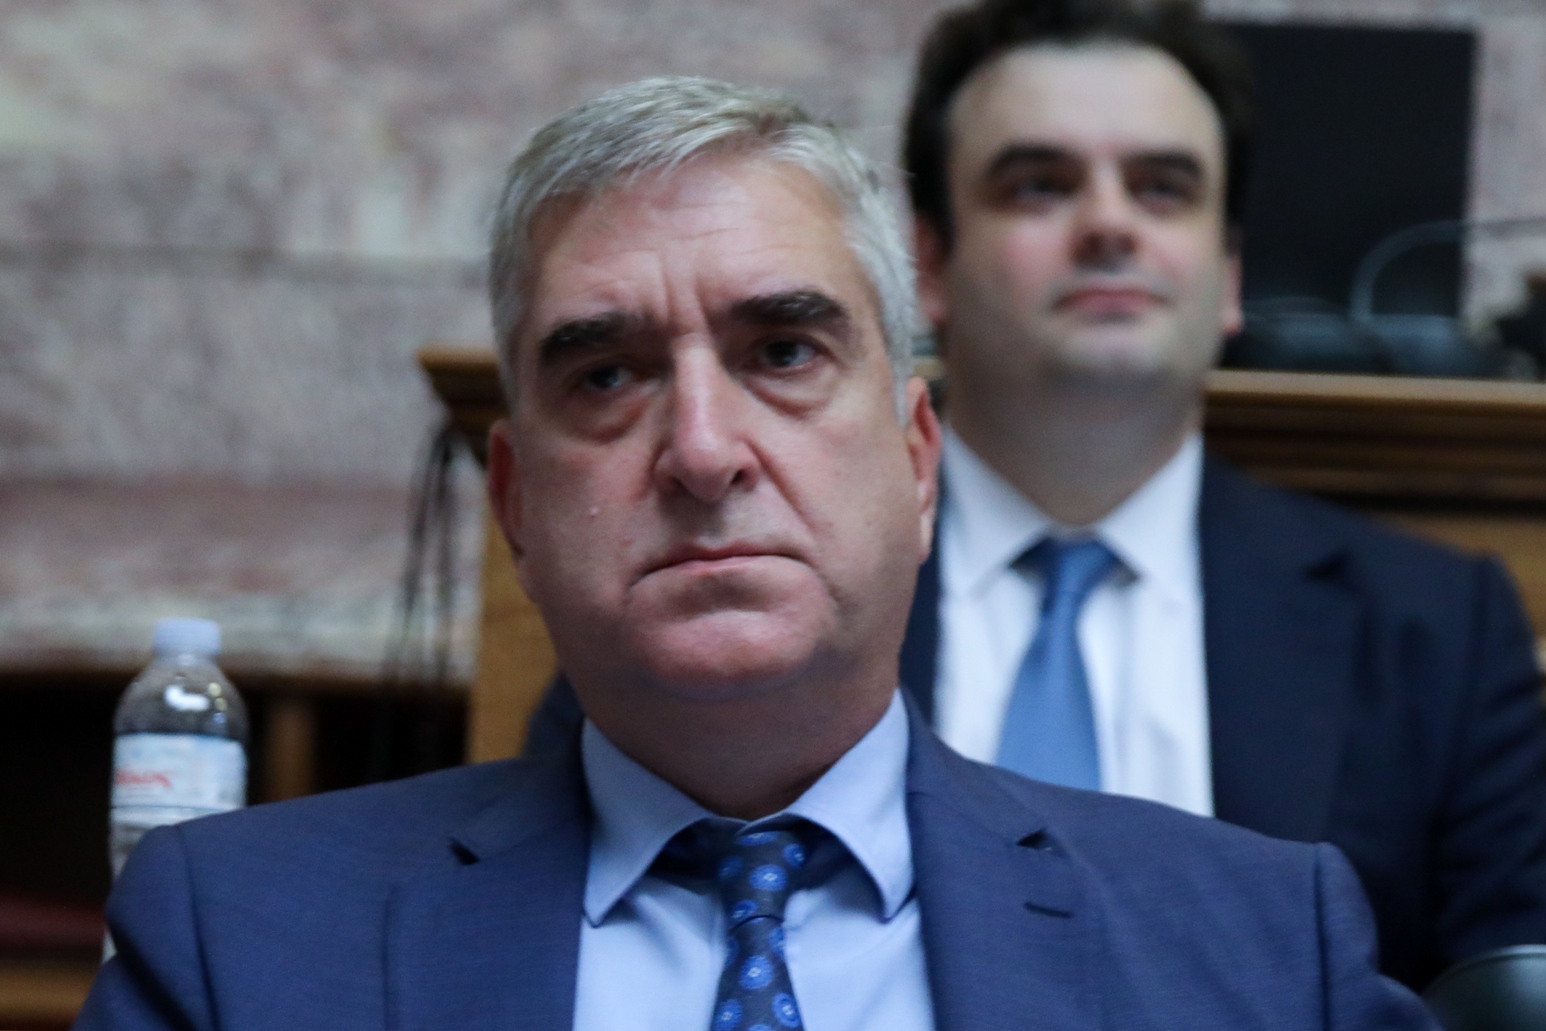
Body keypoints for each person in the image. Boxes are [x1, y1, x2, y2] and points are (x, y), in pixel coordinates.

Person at [75, 76, 1436, 1031]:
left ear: (916, 460)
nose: (702, 449)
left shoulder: (1260, 948)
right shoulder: (240, 940)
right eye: (606, 374)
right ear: (517, 507)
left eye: (782, 351)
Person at [898, 0, 1546, 992]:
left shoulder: (1434, 636)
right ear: (929, 263)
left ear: (1230, 271)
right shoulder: (788, 590)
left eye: (1162, 188)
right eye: (1040, 185)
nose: (1108, 223)